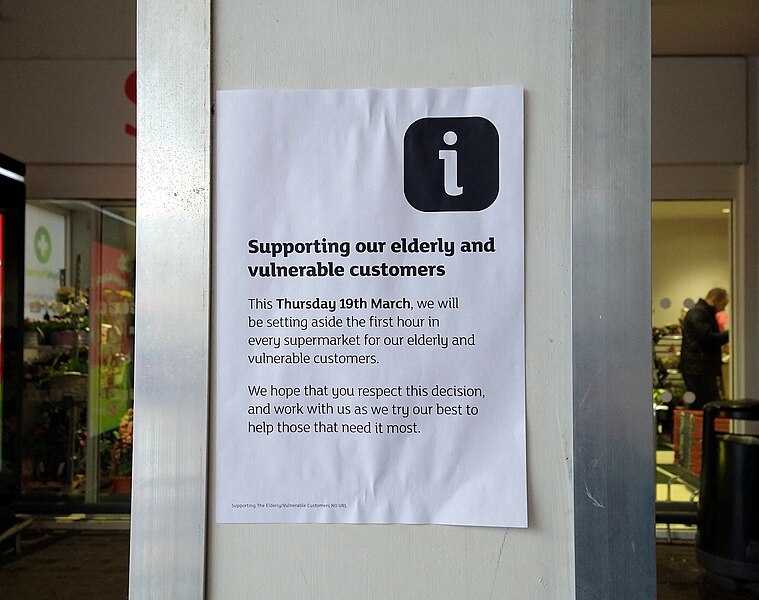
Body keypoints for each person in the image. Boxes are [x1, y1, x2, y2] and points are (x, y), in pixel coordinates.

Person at [679, 288, 729, 409]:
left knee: (699, 406)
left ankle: (697, 427)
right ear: (715, 299)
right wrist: (731, 334)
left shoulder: (700, 313)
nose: (723, 308)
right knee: (708, 405)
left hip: (696, 367)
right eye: (724, 304)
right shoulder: (700, 313)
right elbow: (707, 338)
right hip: (700, 368)